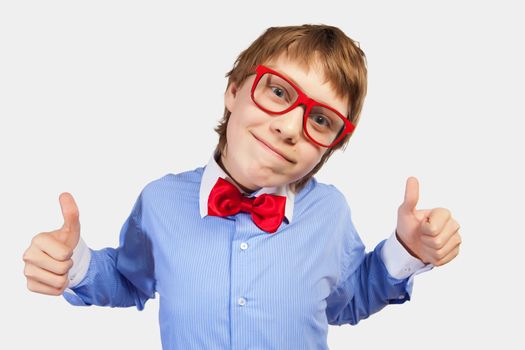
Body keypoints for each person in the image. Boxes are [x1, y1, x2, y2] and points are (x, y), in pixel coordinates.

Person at [22, 24, 462, 349]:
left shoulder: (330, 213)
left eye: (321, 120)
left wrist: (407, 247)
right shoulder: (159, 201)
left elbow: (347, 299)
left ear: (330, 147)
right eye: (279, 92)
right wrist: (73, 263)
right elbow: (128, 279)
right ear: (234, 91)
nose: (291, 127)